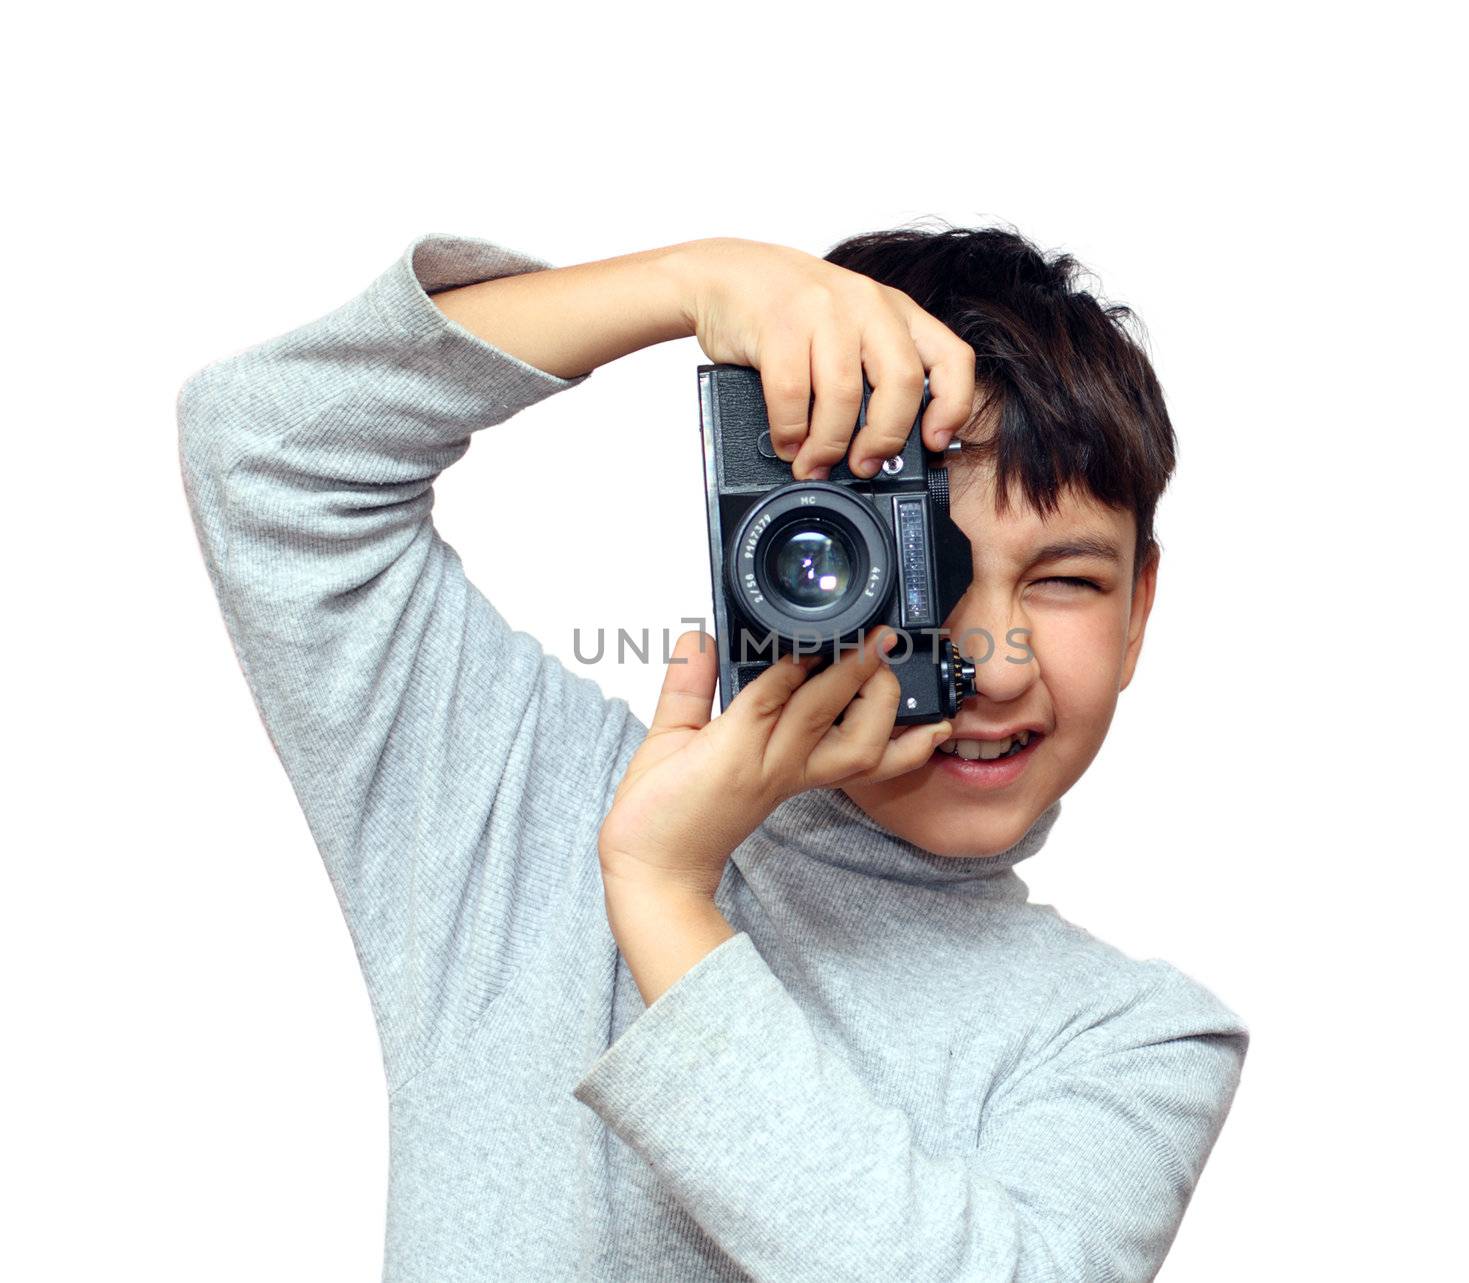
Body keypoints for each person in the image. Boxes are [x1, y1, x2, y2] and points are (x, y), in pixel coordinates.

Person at [175, 223, 1249, 1282]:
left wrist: (666, 899)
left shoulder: (1137, 1039)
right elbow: (267, 453)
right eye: (929, 567)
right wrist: (691, 280)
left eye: (1066, 580)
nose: (997, 663)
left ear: (1139, 612)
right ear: (795, 540)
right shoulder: (518, 810)